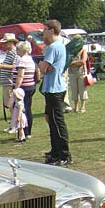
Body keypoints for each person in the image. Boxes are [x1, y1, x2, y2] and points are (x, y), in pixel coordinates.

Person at [39, 19, 71, 166]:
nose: (43, 32)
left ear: (52, 30)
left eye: (45, 29)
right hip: (52, 88)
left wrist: (42, 65)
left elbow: (44, 67)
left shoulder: (53, 47)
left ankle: (64, 154)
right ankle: (55, 151)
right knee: (50, 120)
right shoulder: (58, 46)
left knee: (57, 122)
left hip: (55, 89)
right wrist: (45, 66)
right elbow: (48, 67)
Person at [0, 33, 18, 133]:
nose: (3, 45)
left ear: (11, 42)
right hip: (6, 82)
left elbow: (15, 66)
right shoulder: (9, 53)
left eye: (5, 43)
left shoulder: (14, 53)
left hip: (10, 82)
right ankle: (12, 124)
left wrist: (2, 66)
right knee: (9, 105)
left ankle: (15, 126)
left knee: (11, 104)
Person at [13, 41, 37, 139]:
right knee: (28, 109)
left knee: (20, 109)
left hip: (23, 87)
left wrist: (16, 88)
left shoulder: (22, 60)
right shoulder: (30, 59)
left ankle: (23, 131)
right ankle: (28, 131)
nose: (16, 51)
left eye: (18, 49)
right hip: (31, 86)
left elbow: (20, 75)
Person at [67, 34, 89, 113]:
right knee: (74, 90)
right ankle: (75, 107)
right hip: (72, 72)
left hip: (81, 72)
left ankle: (83, 107)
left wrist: (72, 63)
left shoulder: (83, 50)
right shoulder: (70, 50)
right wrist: (74, 63)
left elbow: (82, 61)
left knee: (82, 89)